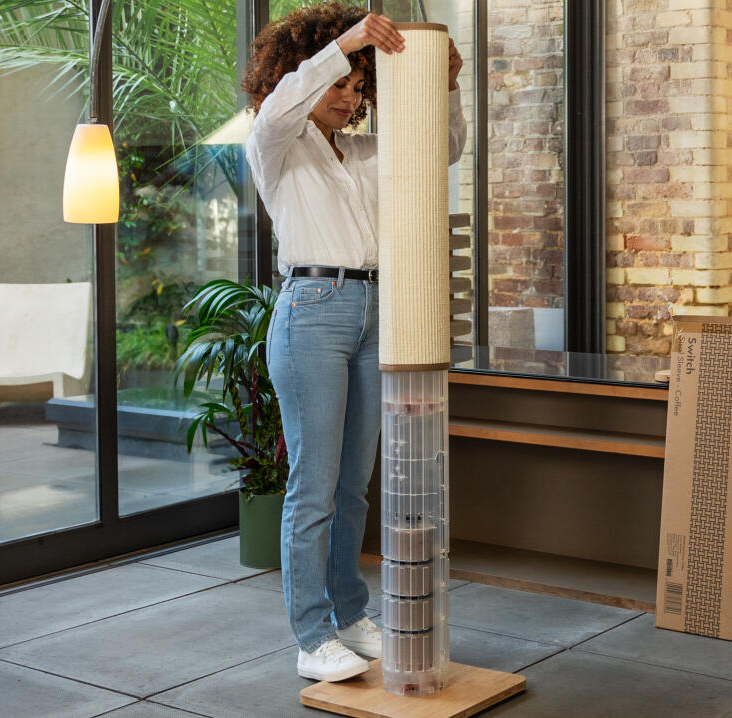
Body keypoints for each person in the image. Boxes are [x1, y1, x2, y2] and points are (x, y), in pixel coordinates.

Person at [241, 4, 466, 682]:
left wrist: (450, 84)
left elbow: (443, 149)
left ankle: (348, 614)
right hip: (313, 311)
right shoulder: (274, 143)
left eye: (359, 85)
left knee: (354, 486)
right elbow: (284, 106)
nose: (350, 96)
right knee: (312, 486)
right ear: (304, 72)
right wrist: (345, 43)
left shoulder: (366, 153)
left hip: (376, 309)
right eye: (342, 83)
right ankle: (311, 637)